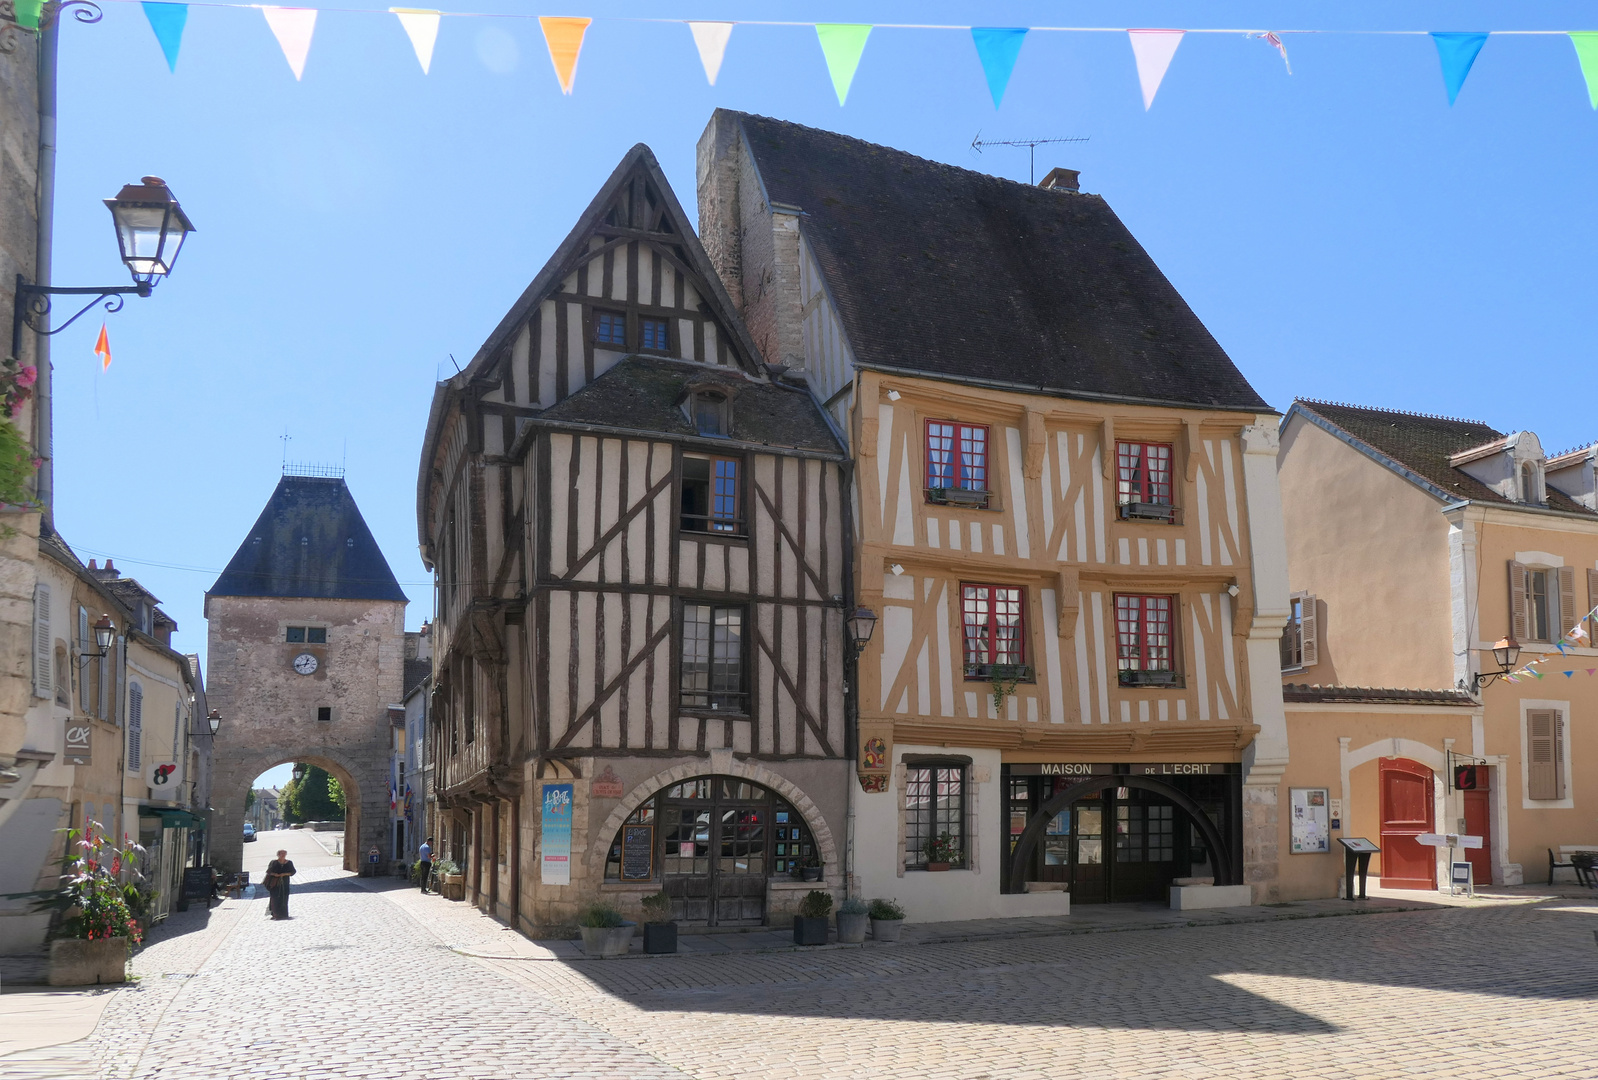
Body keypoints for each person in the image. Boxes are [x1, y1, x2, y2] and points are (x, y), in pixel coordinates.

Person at [263, 850, 296, 920]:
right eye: (281, 854)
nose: (283, 855)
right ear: (278, 855)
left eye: (284, 853)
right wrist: (275, 874)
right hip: (275, 883)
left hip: (285, 883)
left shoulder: (289, 863)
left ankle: (284, 914)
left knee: (284, 897)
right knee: (275, 898)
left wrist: (285, 874)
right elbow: (268, 871)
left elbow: (293, 871)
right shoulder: (273, 862)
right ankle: (275, 914)